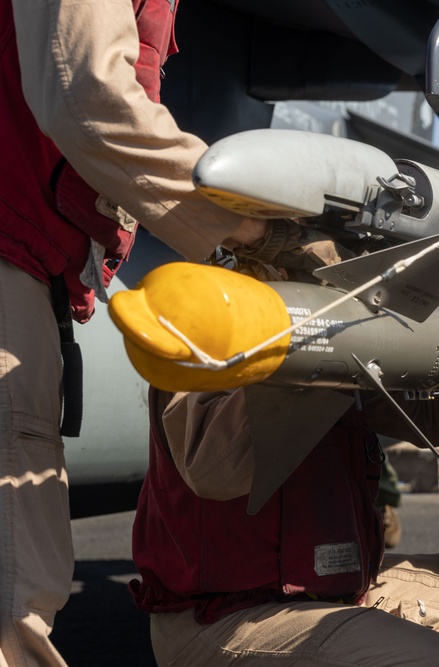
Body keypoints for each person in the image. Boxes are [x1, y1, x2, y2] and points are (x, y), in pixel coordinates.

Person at [1, 2, 343, 664]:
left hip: (33, 257)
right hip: (12, 249)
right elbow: (87, 93)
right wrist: (255, 225)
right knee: (13, 593)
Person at [130, 382, 439, 666]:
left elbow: (428, 421)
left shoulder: (339, 349)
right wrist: (308, 353)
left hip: (324, 592)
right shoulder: (196, 337)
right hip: (222, 616)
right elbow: (211, 468)